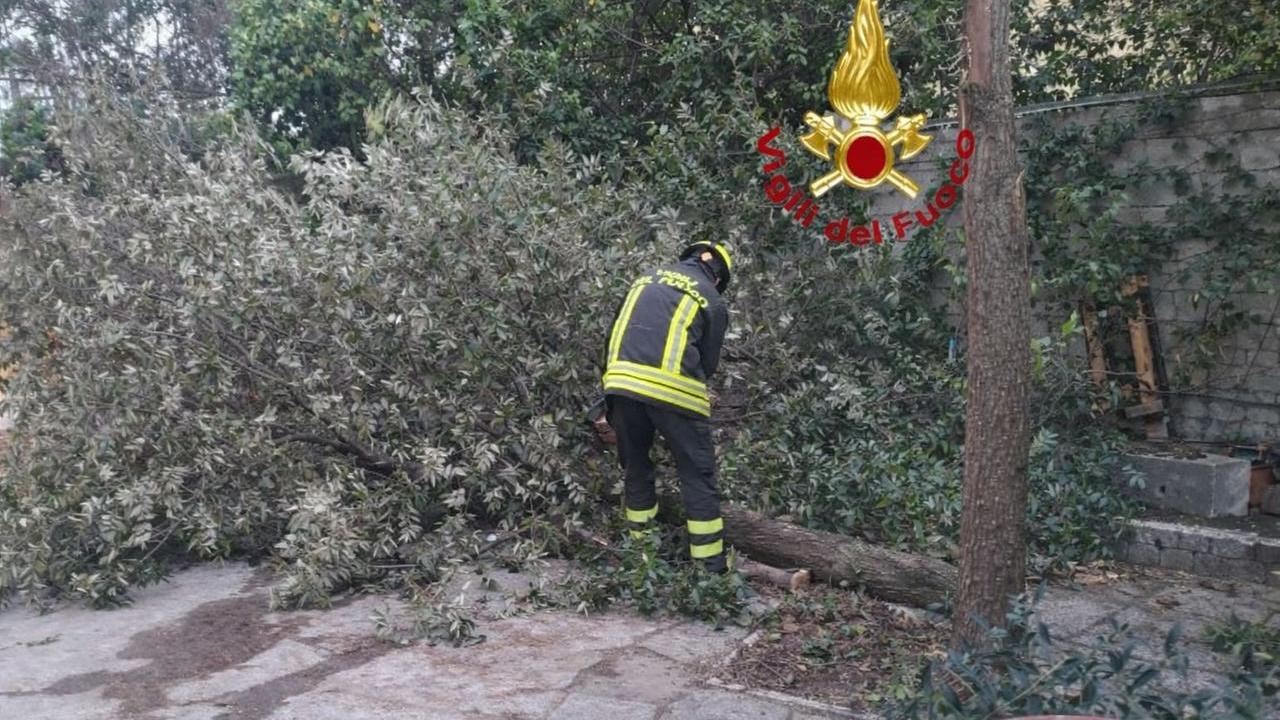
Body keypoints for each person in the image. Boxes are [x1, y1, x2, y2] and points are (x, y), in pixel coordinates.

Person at [601, 241, 732, 573]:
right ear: (717, 277)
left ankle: (642, 559)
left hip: (622, 384)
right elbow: (708, 360)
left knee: (636, 469)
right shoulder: (711, 297)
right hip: (675, 392)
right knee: (696, 475)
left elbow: (615, 334)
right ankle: (709, 572)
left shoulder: (643, 279)